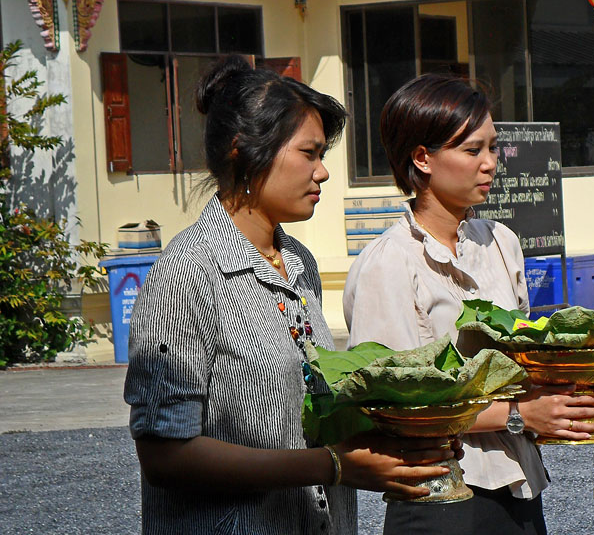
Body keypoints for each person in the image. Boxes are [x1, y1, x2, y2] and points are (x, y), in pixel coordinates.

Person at [124, 56, 458, 535]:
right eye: (309, 153)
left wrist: (405, 437)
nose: (323, 172)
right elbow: (164, 455)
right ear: (243, 150)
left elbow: (308, 414)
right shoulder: (188, 274)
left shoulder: (299, 262)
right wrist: (332, 466)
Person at [343, 73, 594, 534]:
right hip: (438, 491)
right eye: (472, 150)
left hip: (519, 481)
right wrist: (520, 414)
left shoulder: (500, 242)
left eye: (493, 147)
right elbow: (397, 405)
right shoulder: (388, 262)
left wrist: (563, 390)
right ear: (422, 158)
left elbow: (519, 359)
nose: (490, 164)